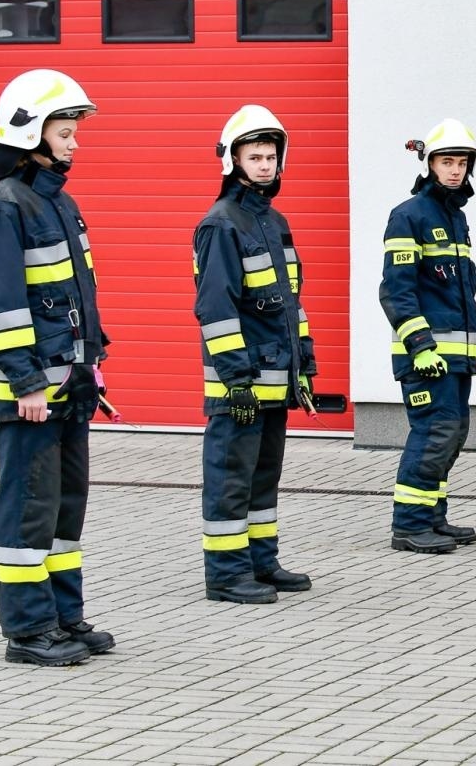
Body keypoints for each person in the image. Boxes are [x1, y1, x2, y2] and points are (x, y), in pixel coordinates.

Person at [0, 69, 113, 665]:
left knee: (64, 506)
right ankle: (28, 632)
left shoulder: (58, 201)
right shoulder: (5, 207)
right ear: (29, 131)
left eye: (76, 130)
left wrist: (91, 366)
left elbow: (76, 296)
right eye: (65, 130)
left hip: (70, 384)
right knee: (30, 505)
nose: (75, 142)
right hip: (32, 392)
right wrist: (26, 381)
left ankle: (63, 616)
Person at [194, 105, 316, 604]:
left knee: (263, 478)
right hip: (239, 384)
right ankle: (225, 575)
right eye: (255, 157)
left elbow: (290, 302)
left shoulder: (274, 221)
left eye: (271, 156)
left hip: (273, 378)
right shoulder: (221, 224)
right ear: (233, 161)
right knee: (230, 478)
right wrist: (236, 380)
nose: (265, 165)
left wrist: (303, 364)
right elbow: (216, 309)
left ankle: (261, 563)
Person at [379, 119, 476, 554]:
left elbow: (457, 295)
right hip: (425, 356)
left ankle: (432, 516)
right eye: (447, 162)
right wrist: (420, 346)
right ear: (429, 165)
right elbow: (396, 289)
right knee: (432, 433)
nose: (455, 170)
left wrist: (472, 350)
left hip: (454, 358)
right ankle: (408, 524)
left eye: (462, 163)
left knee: (453, 432)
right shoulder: (408, 216)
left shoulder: (455, 218)